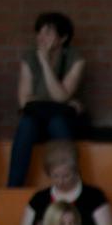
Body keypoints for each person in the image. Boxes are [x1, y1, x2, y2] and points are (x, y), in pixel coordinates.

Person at [8, 12, 86, 187]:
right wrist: (62, 101)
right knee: (26, 123)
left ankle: (74, 186)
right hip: (36, 117)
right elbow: (24, 101)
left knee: (57, 122)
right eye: (39, 32)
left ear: (63, 37)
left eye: (48, 33)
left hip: (64, 120)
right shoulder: (29, 57)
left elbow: (60, 96)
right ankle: (13, 187)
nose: (41, 38)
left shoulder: (75, 58)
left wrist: (44, 62)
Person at [14, 141, 112, 225]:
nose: (60, 181)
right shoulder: (39, 199)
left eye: (66, 176)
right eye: (55, 176)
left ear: (76, 171)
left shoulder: (94, 196)